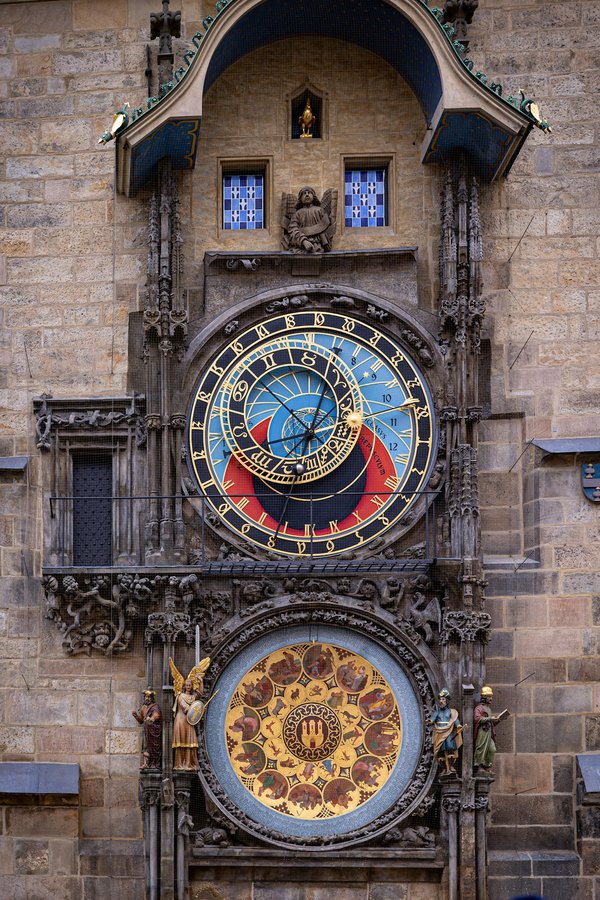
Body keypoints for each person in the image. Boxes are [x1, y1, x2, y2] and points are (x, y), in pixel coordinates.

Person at [427, 688, 463, 775]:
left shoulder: (451, 712)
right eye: (440, 699)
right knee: (440, 752)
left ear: (446, 701)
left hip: (449, 732)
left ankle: (450, 766)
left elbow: (455, 720)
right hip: (439, 733)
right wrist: (429, 721)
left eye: (443, 699)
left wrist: (458, 725)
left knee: (450, 749)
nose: (441, 701)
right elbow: (432, 720)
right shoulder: (437, 712)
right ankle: (444, 768)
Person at [287, 187, 332, 253]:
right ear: (300, 199)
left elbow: (326, 227)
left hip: (319, 245)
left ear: (314, 197)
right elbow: (293, 230)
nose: (307, 194)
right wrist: (303, 241)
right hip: (302, 247)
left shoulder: (320, 210)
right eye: (304, 193)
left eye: (309, 193)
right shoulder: (297, 214)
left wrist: (325, 241)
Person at [474, 685, 506, 772]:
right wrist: (490, 718)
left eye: (491, 696)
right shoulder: (479, 708)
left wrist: (498, 719)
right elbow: (477, 718)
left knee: (492, 749)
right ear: (484, 697)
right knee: (481, 748)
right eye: (489, 697)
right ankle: (479, 766)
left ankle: (486, 766)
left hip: (488, 732)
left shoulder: (488, 709)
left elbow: (491, 723)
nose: (491, 698)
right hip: (482, 731)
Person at [172, 677, 201, 770]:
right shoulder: (180, 696)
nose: (188, 687)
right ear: (184, 686)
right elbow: (186, 709)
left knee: (190, 741)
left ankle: (189, 763)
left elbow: (200, 695)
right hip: (181, 720)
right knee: (181, 741)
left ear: (192, 686)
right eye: (187, 685)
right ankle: (179, 764)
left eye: (190, 685)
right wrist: (195, 710)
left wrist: (201, 682)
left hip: (189, 721)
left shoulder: (192, 697)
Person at [132, 688, 162, 770]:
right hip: (146, 730)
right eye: (146, 697)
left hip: (153, 731)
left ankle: (155, 763)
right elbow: (141, 721)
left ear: (152, 698)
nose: (147, 699)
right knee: (145, 747)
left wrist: (152, 718)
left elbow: (156, 715)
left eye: (149, 697)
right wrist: (136, 716)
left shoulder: (155, 706)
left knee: (154, 747)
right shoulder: (143, 708)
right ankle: (146, 763)